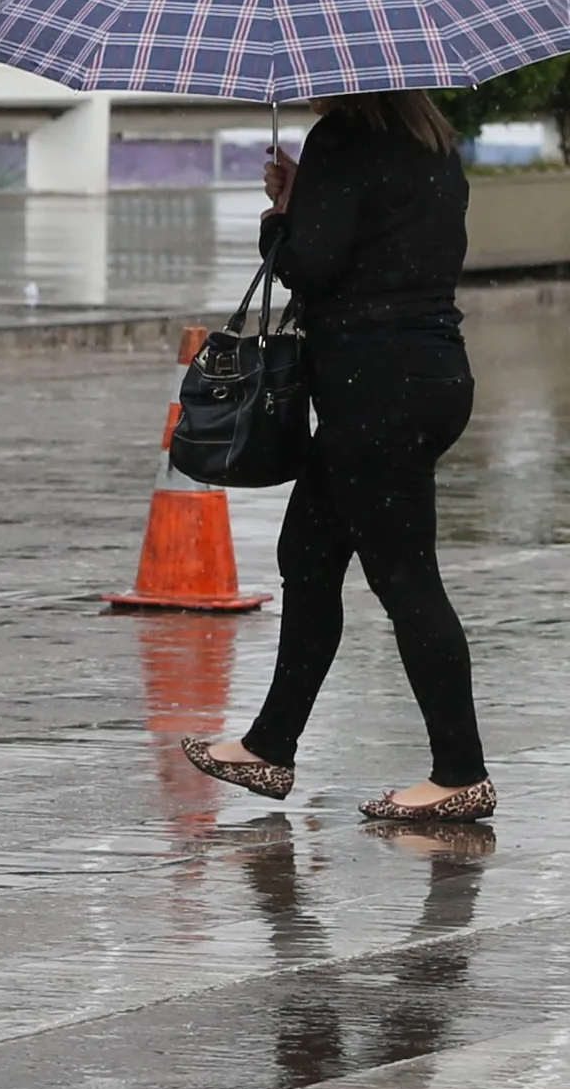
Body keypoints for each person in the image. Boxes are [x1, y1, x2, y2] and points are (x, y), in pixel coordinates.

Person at [184, 92, 491, 823]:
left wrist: (280, 218)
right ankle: (269, 746)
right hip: (431, 375)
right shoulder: (432, 140)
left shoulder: (343, 138)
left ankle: (460, 772)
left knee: (406, 577)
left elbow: (313, 266)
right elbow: (387, 240)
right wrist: (306, 196)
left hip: (374, 390)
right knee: (309, 556)